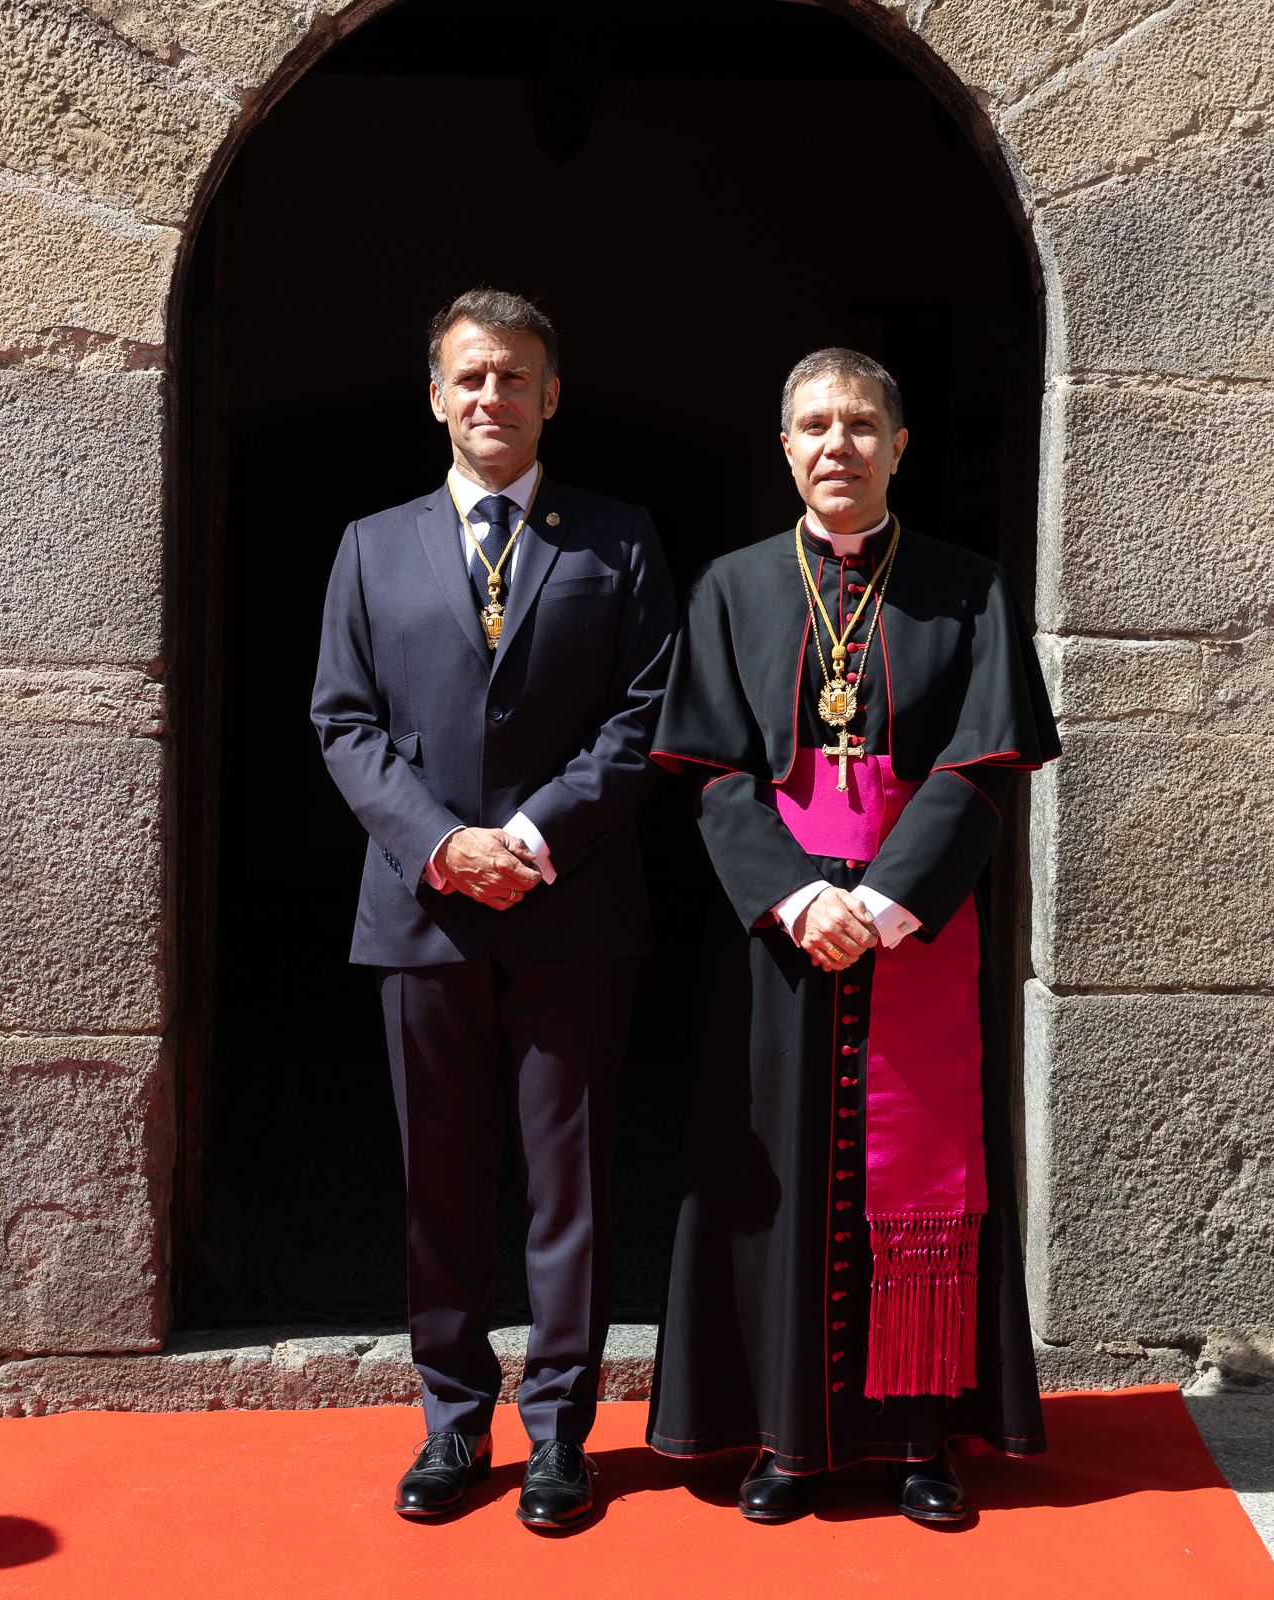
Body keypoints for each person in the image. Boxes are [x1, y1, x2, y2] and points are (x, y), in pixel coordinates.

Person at [644, 348, 1059, 1524]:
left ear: (899, 446)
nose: (839, 445)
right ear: (785, 447)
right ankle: (786, 1440)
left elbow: (983, 771)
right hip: (782, 937)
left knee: (927, 1183)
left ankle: (922, 1439)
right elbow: (716, 773)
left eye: (863, 425)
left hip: (916, 933)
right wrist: (797, 896)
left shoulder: (967, 588)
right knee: (774, 1179)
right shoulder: (732, 588)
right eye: (816, 426)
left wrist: (880, 902)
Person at [311, 288, 676, 1529]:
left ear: (551, 394)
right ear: (435, 394)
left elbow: (644, 720)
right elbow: (342, 725)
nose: (491, 398)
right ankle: (452, 1426)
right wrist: (444, 845)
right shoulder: (371, 544)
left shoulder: (618, 539)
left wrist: (526, 837)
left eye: (514, 377)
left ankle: (564, 1430)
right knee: (443, 1182)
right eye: (470, 377)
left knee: (566, 1182)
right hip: (424, 913)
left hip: (572, 911)